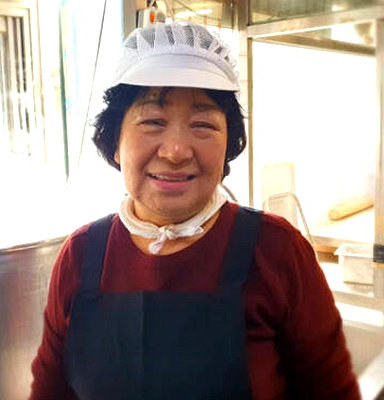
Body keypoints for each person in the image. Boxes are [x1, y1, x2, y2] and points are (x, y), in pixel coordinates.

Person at [30, 21, 361, 400]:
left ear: (228, 146)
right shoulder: (81, 255)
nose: (176, 151)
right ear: (115, 143)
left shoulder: (277, 250)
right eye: (153, 122)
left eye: (202, 124)